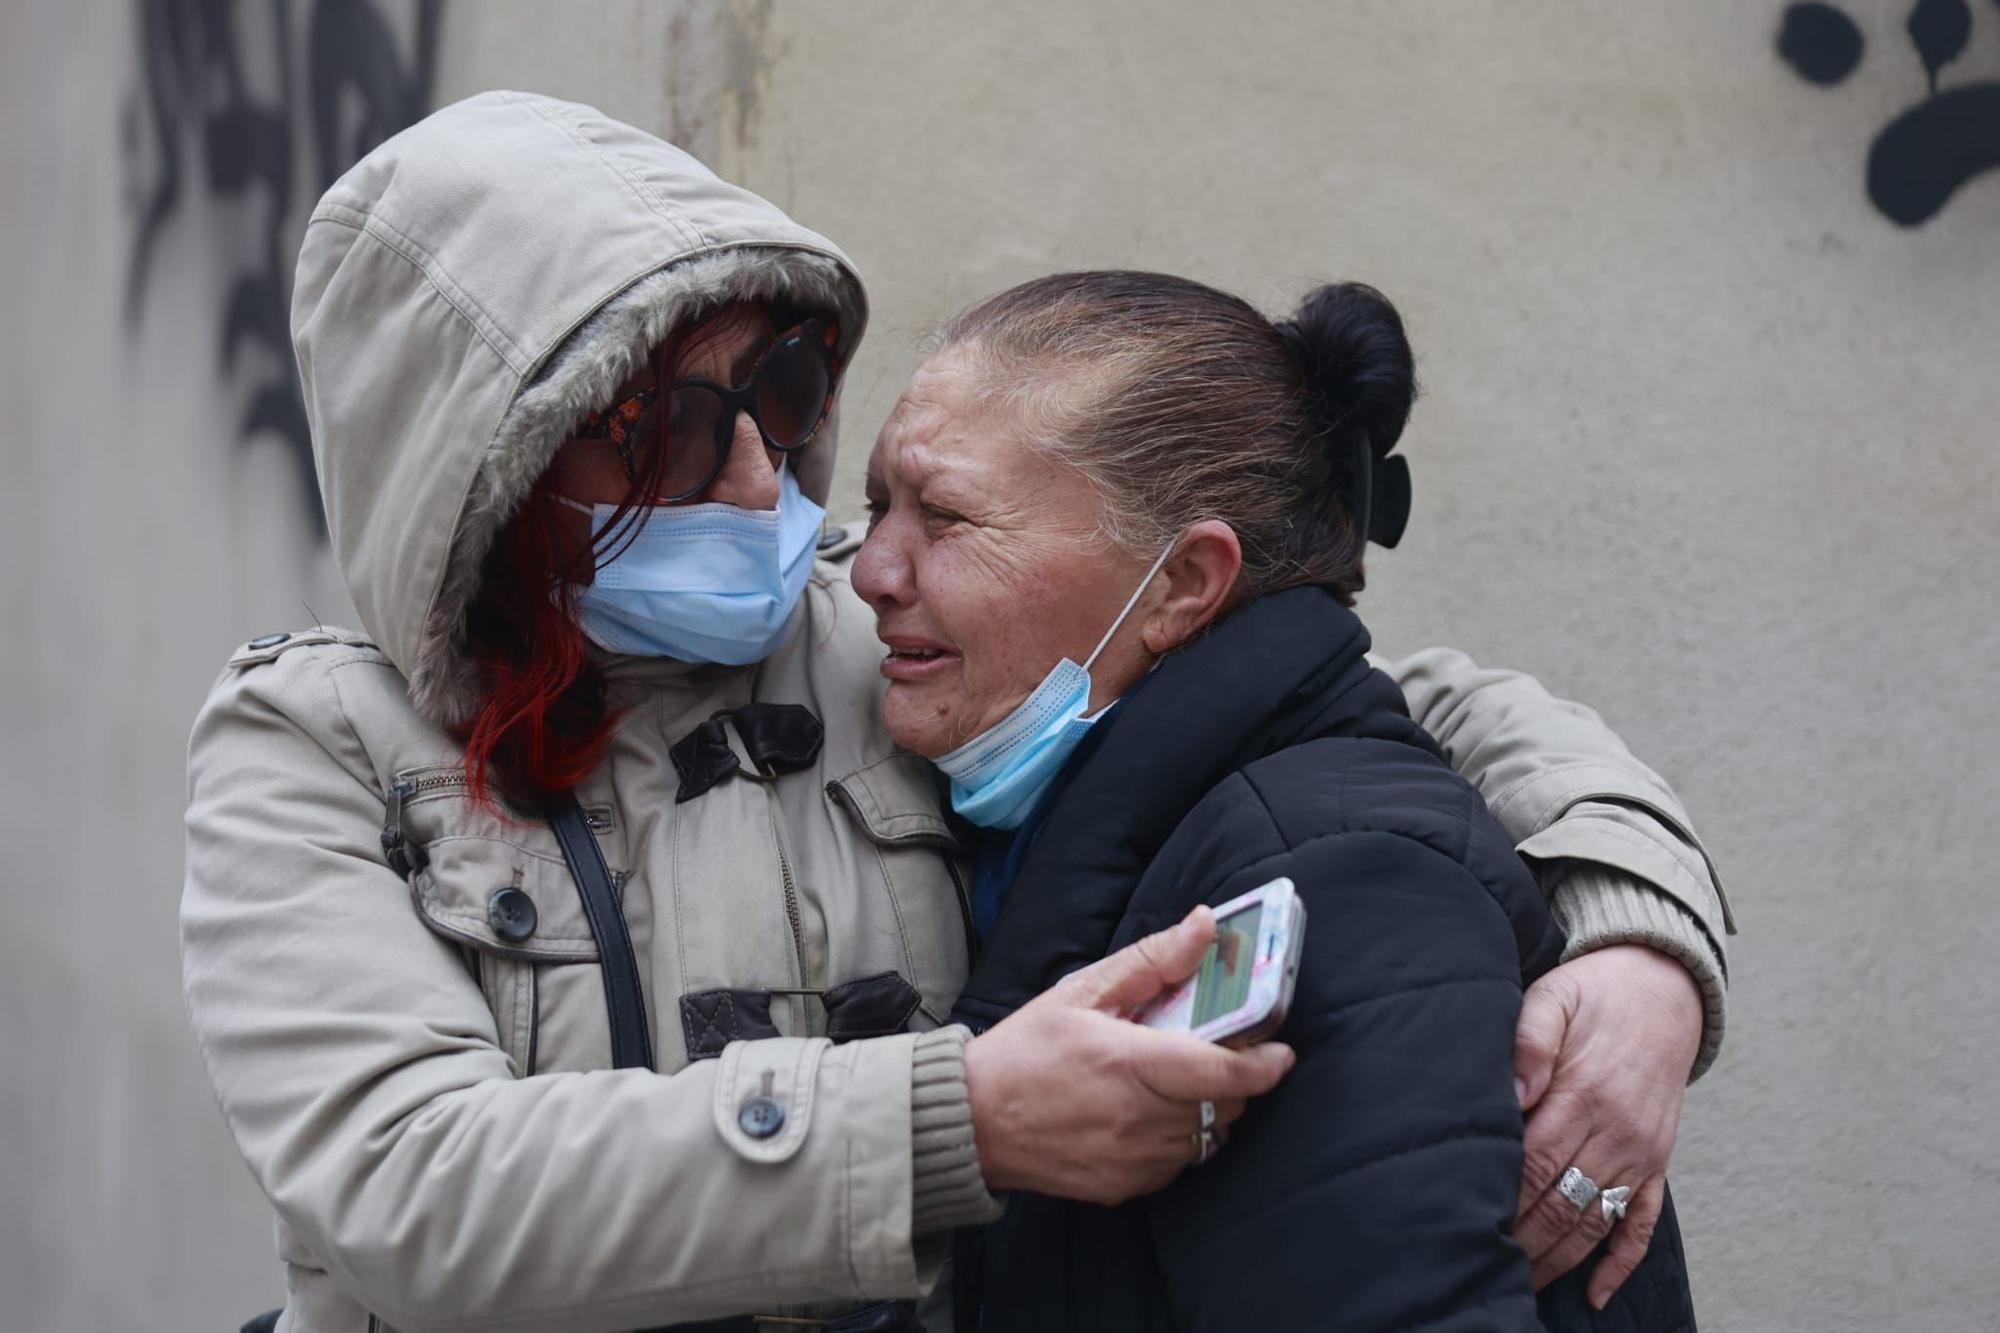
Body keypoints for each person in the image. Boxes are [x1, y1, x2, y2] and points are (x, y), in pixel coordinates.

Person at [181, 93, 1726, 1333]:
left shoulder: (874, 622)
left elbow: (1374, 705)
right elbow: (407, 1189)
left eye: (781, 398)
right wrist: (956, 1119)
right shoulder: (314, 746)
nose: (754, 482)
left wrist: (1640, 944)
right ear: (482, 467)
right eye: (660, 433)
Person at [850, 271, 1709, 1329]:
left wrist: (1647, 946)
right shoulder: (1106, 818)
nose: (870, 571)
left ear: (1180, 585)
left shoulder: (1337, 876)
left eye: (943, 516)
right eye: (871, 506)